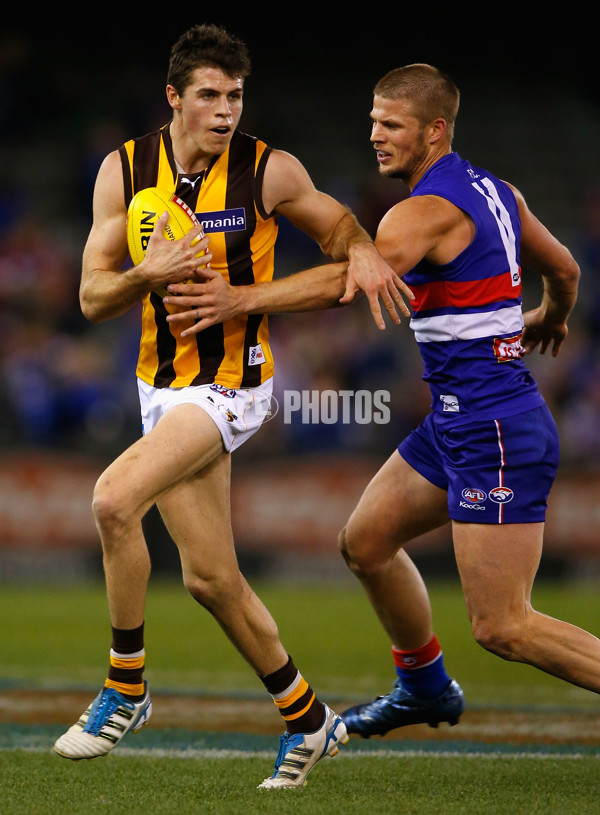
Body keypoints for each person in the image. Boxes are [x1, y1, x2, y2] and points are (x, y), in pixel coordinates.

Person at [171, 63, 600, 742]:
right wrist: (551, 313)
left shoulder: (422, 212)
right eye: (373, 120)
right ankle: (425, 686)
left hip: (494, 428)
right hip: (459, 420)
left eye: (391, 124)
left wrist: (241, 299)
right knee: (366, 542)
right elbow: (567, 269)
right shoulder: (499, 191)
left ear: (434, 130)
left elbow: (351, 279)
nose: (374, 135)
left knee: (502, 625)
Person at [53, 24, 412, 790]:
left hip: (234, 387)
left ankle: (125, 686)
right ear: (175, 98)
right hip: (161, 386)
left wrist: (364, 245)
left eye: (236, 95)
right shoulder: (124, 172)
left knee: (114, 499)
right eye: (210, 95)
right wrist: (146, 273)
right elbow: (91, 296)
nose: (224, 111)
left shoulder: (268, 170)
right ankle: (309, 719)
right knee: (211, 579)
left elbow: (339, 230)